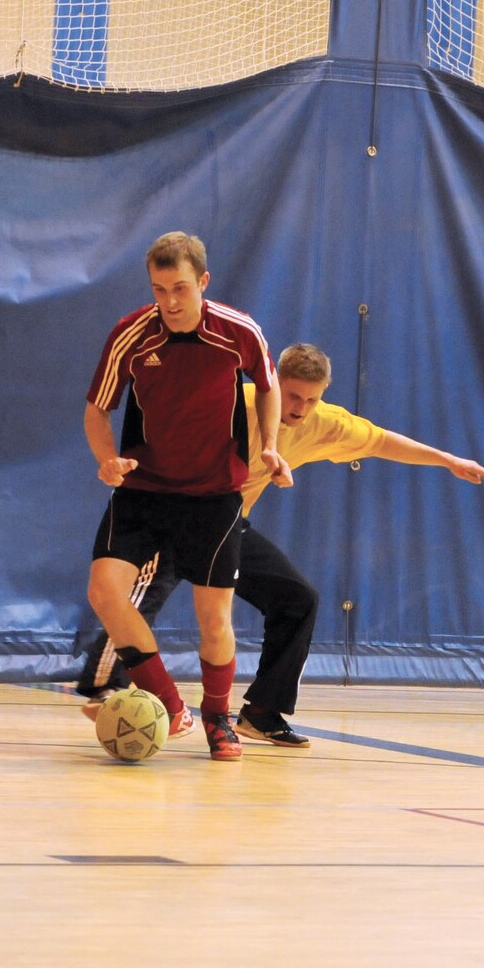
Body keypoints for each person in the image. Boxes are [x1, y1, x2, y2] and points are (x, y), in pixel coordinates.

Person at [76, 342, 484, 746]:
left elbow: (382, 441)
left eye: (312, 399)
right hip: (176, 517)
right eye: (293, 396)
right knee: (134, 598)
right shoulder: (230, 405)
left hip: (228, 525)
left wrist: (448, 460)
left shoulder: (325, 422)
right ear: (273, 383)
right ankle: (105, 687)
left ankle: (262, 711)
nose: (300, 408)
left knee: (297, 600)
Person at [80, 231, 288, 761]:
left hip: (213, 494)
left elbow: (268, 385)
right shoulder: (131, 335)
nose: (169, 302)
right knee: (104, 591)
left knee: (214, 619)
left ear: (203, 282)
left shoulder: (239, 332)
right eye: (159, 289)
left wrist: (270, 446)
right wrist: (107, 458)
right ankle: (171, 706)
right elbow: (97, 409)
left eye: (180, 288)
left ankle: (218, 717)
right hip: (143, 489)